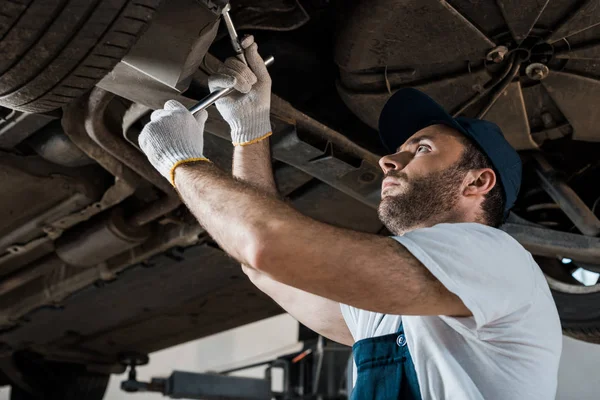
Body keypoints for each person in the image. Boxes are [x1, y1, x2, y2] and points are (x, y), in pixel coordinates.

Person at [139, 36, 562, 399]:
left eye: (422, 149)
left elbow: (266, 247)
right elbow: (268, 270)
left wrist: (183, 163)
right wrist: (249, 131)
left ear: (477, 183)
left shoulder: (493, 258)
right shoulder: (392, 311)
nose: (388, 161)